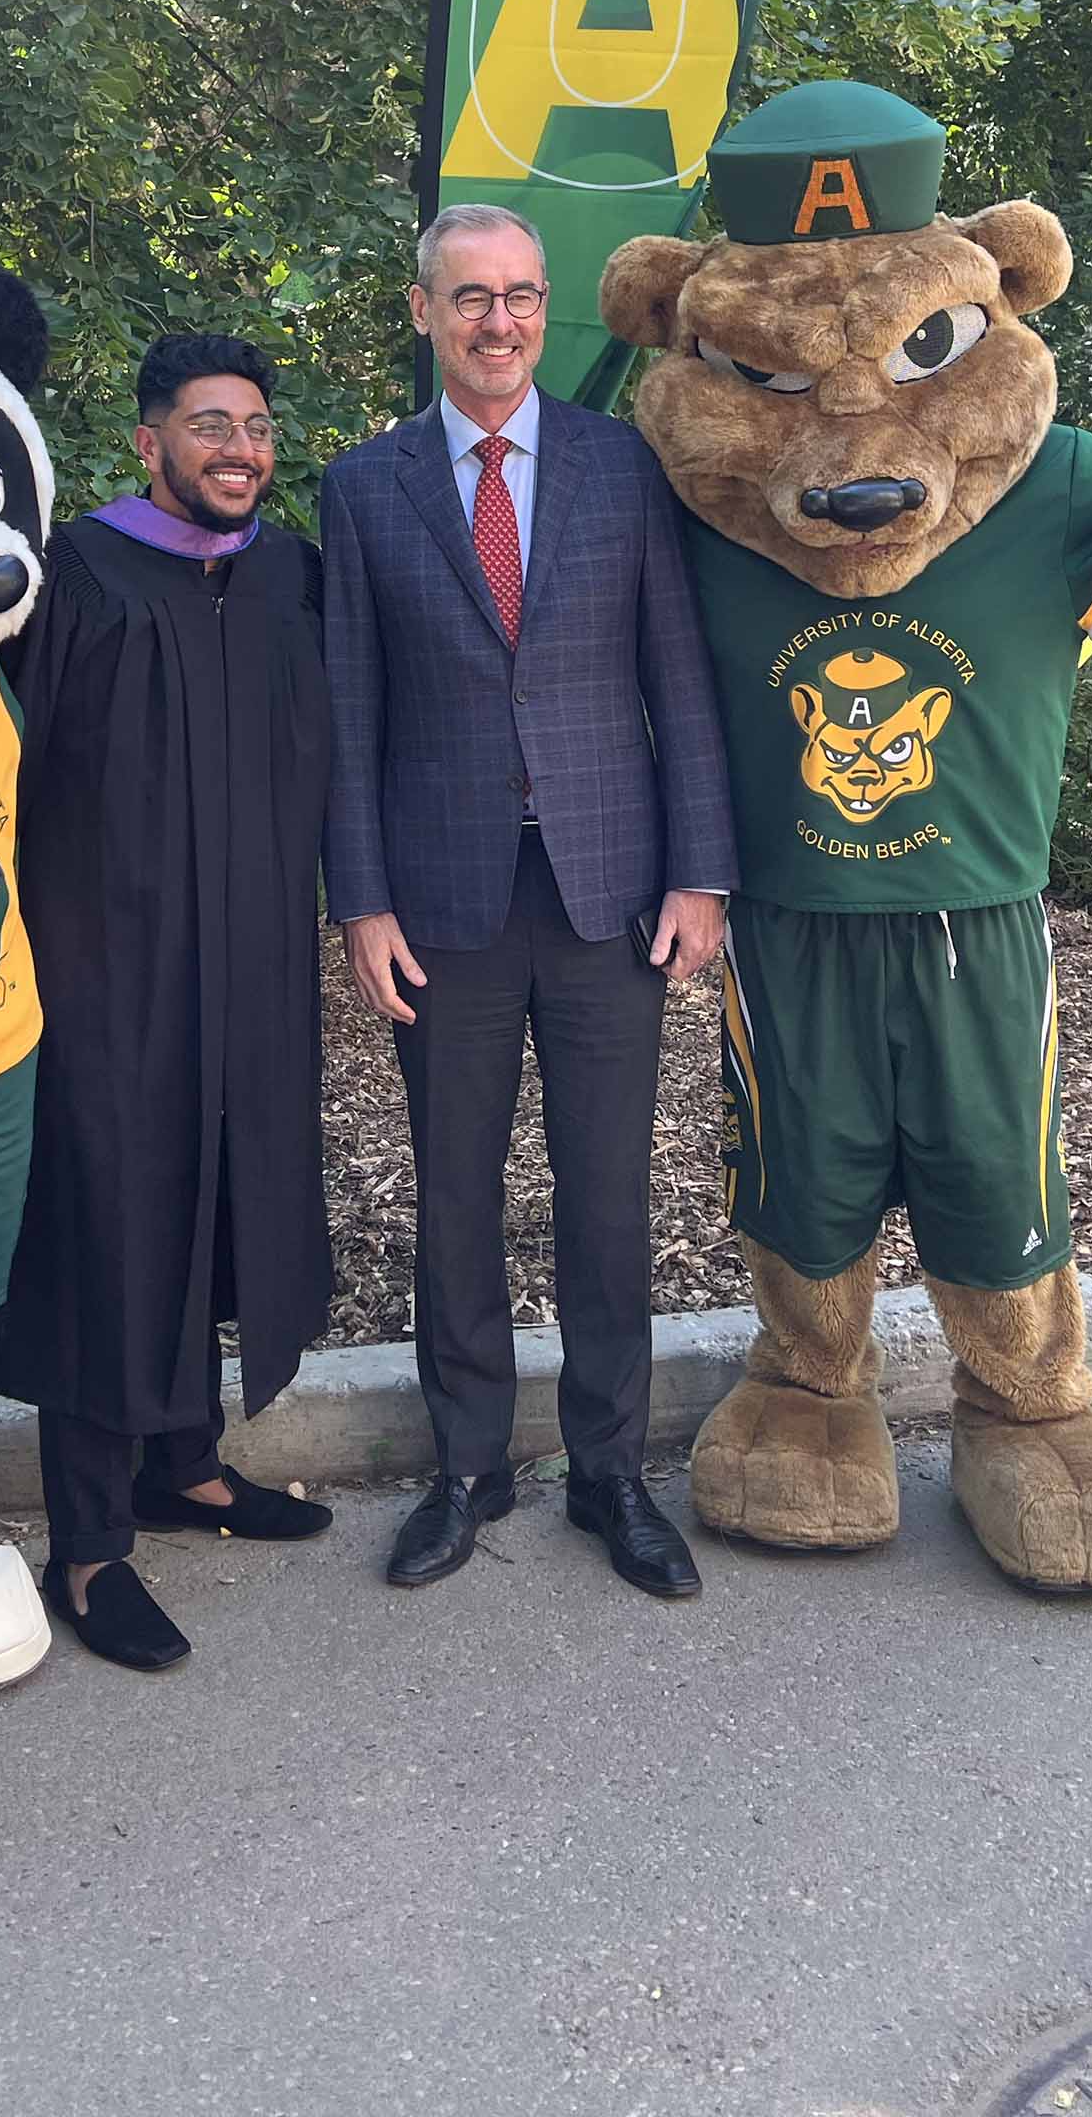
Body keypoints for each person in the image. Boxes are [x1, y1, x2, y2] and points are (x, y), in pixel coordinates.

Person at [322, 205, 736, 1601]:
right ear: (425, 311)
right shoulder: (366, 487)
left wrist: (699, 870)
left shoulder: (623, 467)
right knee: (456, 1194)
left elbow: (677, 677)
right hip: (442, 903)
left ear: (545, 309)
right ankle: (469, 1467)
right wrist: (360, 906)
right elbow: (349, 714)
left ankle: (610, 1473)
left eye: (520, 297)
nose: (499, 322)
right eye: (470, 298)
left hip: (608, 890)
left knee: (608, 1196)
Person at [0, 333, 333, 1671]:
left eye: (254, 425)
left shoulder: (289, 573)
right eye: (208, 426)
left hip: (250, 961)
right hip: (102, 961)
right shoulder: (71, 573)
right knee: (113, 1218)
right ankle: (85, 1547)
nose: (239, 449)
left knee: (223, 1196)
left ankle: (183, 1467)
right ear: (148, 444)